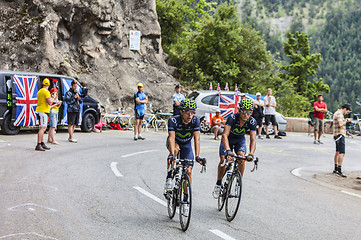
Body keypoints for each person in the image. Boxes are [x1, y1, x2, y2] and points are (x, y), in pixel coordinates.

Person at [164, 99, 206, 215]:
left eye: (192, 112)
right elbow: (171, 138)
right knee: (176, 150)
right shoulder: (173, 120)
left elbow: (197, 139)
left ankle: (186, 201)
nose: (190, 115)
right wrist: (172, 154)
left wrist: (197, 156)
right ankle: (169, 177)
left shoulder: (196, 120)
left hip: (187, 145)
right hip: (175, 142)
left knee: (188, 170)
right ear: (181, 111)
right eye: (187, 112)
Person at [212, 99, 257, 198]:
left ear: (251, 112)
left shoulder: (252, 121)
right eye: (244, 111)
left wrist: (251, 154)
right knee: (224, 159)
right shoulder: (232, 117)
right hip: (228, 139)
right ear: (239, 110)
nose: (246, 114)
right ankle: (218, 183)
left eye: (248, 112)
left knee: (241, 157)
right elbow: (224, 135)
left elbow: (253, 139)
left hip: (239, 140)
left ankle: (238, 182)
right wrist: (228, 150)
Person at [332, 103, 352, 178]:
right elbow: (340, 124)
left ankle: (336, 168)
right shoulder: (340, 114)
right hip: (340, 134)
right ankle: (339, 170)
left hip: (336, 135)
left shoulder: (337, 113)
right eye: (347, 111)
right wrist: (346, 120)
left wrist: (344, 120)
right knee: (342, 153)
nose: (347, 113)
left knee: (337, 152)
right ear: (345, 109)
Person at [35, 78, 53, 151]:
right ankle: (38, 144)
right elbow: (50, 102)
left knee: (41, 128)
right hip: (43, 111)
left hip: (39, 110)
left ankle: (42, 143)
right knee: (43, 128)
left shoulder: (39, 91)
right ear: (48, 84)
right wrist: (53, 98)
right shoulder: (46, 92)